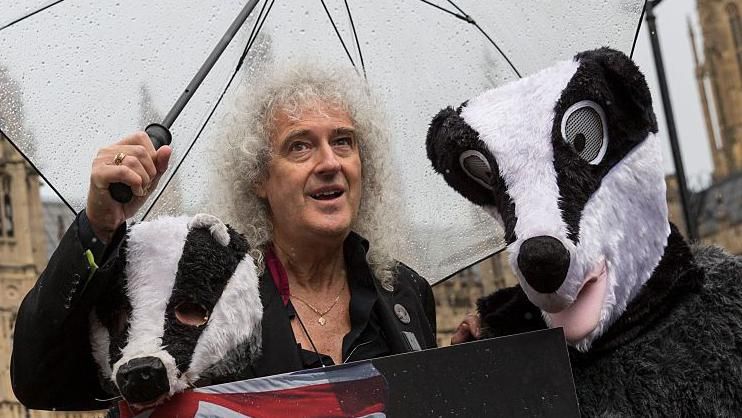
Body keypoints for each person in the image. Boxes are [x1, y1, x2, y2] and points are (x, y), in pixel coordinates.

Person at [10, 64, 440, 411]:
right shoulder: (208, 292)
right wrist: (99, 225)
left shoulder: (405, 294)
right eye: (300, 146)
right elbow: (42, 380)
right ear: (257, 177)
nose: (329, 161)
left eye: (343, 142)